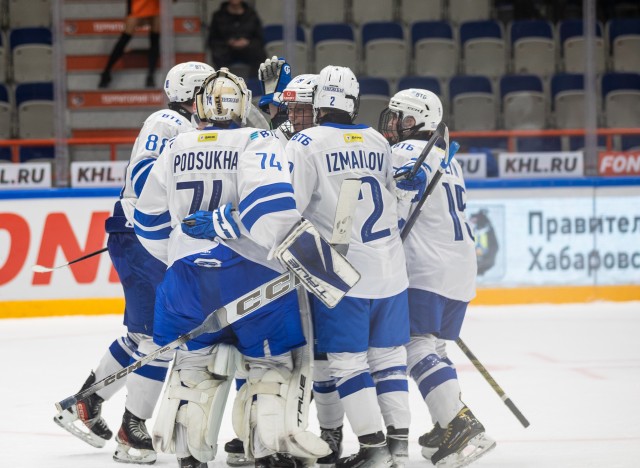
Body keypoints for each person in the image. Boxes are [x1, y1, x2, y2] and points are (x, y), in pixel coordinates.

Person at [133, 67, 347, 468]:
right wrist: (296, 253)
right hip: (251, 273)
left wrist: (181, 253)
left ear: (198, 105)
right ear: (243, 105)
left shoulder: (176, 146)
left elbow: (146, 220)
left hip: (185, 279)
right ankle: (268, 452)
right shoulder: (257, 138)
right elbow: (272, 208)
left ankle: (189, 455)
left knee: (193, 367)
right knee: (270, 367)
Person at [54, 61, 215, 465]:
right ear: (193, 93)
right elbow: (146, 178)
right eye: (207, 92)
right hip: (143, 238)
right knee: (157, 340)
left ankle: (85, 403)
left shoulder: (189, 129)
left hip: (144, 239)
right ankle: (132, 428)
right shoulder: (166, 121)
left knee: (141, 336)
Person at [285, 65, 412, 468]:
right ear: (354, 101)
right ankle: (399, 448)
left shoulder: (306, 142)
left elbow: (291, 210)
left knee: (346, 363)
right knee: (390, 359)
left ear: (318, 101)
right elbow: (396, 196)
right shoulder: (377, 140)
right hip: (391, 268)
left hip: (344, 274)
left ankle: (373, 448)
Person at [379, 88, 497, 467]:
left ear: (415, 120)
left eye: (399, 117)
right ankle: (447, 427)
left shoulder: (405, 152)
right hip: (459, 268)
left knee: (414, 345)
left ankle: (461, 423)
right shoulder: (446, 157)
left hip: (425, 267)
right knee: (434, 348)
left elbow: (391, 209)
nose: (393, 124)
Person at [98, 0, 161, 88]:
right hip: (138, 5)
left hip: (156, 5)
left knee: (155, 40)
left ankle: (151, 75)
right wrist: (129, 10)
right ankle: (106, 72)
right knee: (125, 38)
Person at [207, 0, 267, 77]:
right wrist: (228, 42)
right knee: (218, 53)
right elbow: (212, 39)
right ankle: (223, 82)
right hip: (226, 49)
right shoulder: (218, 15)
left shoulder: (251, 14)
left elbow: (259, 37)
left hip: (249, 48)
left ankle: (255, 84)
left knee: (260, 54)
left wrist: (246, 42)